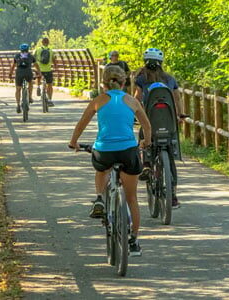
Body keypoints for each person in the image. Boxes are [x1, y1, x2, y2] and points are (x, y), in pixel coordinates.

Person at [69, 65, 152, 257]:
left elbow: (81, 124)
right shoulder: (132, 101)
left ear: (103, 84)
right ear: (124, 83)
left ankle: (99, 198)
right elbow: (147, 126)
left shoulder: (98, 101)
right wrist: (145, 143)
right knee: (132, 199)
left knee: (102, 168)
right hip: (128, 151)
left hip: (104, 150)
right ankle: (133, 241)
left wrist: (74, 142)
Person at [133, 47, 186, 209]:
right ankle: (173, 195)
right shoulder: (170, 79)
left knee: (144, 135)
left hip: (150, 120)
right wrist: (181, 115)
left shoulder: (141, 79)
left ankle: (147, 164)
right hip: (168, 122)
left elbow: (136, 98)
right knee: (170, 156)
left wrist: (135, 116)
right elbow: (177, 99)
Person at [9, 43, 35, 113]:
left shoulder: (17, 56)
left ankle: (18, 104)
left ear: (20, 50)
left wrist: (10, 74)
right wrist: (39, 73)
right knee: (30, 83)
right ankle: (30, 97)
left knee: (18, 89)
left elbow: (13, 66)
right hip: (28, 73)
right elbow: (36, 64)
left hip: (19, 73)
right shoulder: (30, 56)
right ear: (28, 49)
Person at [36, 37, 55, 106]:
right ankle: (49, 99)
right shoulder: (50, 50)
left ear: (42, 42)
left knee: (38, 77)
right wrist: (56, 67)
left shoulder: (38, 49)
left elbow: (33, 58)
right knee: (49, 84)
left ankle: (38, 87)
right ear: (48, 43)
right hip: (48, 70)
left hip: (39, 69)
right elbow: (54, 60)